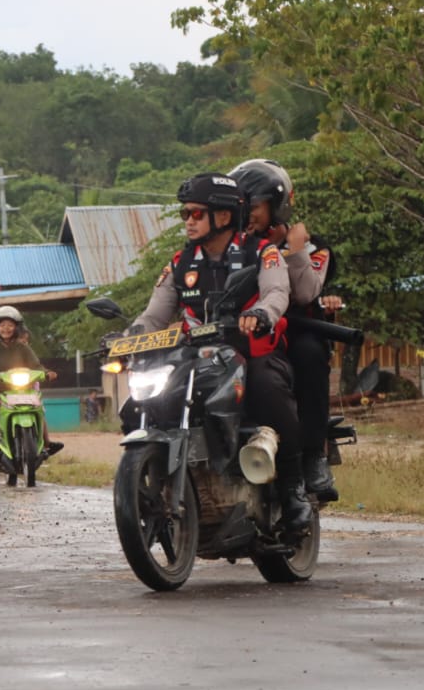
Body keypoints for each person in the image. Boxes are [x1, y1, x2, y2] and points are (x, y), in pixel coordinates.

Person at [132, 172, 312, 531]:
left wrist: (261, 314)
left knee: (268, 387)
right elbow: (153, 316)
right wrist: (128, 337)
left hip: (252, 352)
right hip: (194, 359)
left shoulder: (262, 252)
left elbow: (276, 292)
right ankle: (153, 484)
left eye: (197, 214)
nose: (188, 221)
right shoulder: (180, 263)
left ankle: (294, 489)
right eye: (185, 214)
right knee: (140, 403)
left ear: (224, 216)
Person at [229, 158, 341, 502]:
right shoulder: (230, 246)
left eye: (255, 206)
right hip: (243, 332)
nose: (247, 213)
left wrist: (294, 250)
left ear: (277, 205)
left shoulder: (313, 247)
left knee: (309, 353)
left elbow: (306, 292)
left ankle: (313, 455)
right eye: (240, 205)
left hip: (293, 330)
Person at [0, 305, 64, 458]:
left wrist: (47, 373)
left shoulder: (23, 348)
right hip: (1, 394)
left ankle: (45, 443)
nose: (6, 329)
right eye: (2, 325)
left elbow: (36, 366)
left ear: (16, 328)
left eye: (10, 325)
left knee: (39, 409)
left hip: (25, 391)